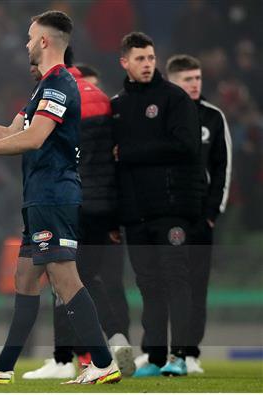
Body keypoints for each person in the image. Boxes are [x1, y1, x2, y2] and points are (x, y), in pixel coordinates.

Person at [0, 11, 121, 385]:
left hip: (54, 195)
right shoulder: (42, 88)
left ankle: (102, 361)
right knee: (23, 277)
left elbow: (33, 139)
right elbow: (9, 132)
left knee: (65, 279)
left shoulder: (58, 85)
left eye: (29, 36)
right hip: (39, 197)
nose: (24, 43)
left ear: (43, 41)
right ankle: (3, 368)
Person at [23, 50, 134, 380]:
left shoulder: (57, 92)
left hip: (68, 200)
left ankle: (65, 359)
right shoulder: (101, 98)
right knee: (85, 277)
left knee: (63, 278)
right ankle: (115, 338)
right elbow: (114, 162)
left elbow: (36, 141)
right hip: (104, 206)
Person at [110, 32, 204, 378]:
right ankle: (154, 355)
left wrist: (131, 154)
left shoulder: (174, 99)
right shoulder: (117, 106)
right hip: (136, 214)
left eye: (150, 58)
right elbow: (113, 164)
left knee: (175, 278)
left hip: (171, 209)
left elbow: (187, 147)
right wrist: (116, 217)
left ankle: (180, 356)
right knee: (147, 283)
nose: (147, 64)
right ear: (125, 63)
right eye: (139, 59)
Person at [166, 54, 232, 374]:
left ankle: (190, 353)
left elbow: (223, 167)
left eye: (197, 78)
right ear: (173, 82)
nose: (195, 84)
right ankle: (166, 352)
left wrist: (212, 214)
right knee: (166, 284)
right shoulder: (161, 116)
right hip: (166, 216)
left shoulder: (213, 117)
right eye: (187, 79)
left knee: (196, 284)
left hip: (199, 218)